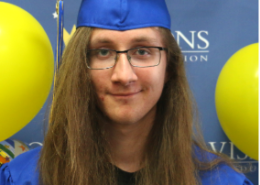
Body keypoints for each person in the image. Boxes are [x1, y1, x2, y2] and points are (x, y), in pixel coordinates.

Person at [0, 0, 254, 185]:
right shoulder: (27, 178)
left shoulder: (221, 181)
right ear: (80, 68)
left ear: (170, 67)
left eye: (142, 51)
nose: (123, 75)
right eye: (103, 52)